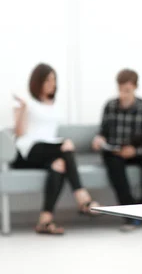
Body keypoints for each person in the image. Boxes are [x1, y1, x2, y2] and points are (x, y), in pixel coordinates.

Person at [12, 63, 100, 235]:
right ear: (38, 82)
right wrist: (22, 109)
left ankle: (45, 220)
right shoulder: (26, 102)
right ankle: (83, 198)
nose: (53, 83)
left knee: (58, 165)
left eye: (54, 79)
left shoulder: (55, 105)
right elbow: (19, 133)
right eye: (48, 80)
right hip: (26, 153)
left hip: (48, 153)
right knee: (65, 146)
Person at [91, 69, 142, 231]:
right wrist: (99, 138)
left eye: (127, 90)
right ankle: (129, 213)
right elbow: (103, 132)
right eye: (120, 90)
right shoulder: (110, 106)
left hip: (138, 152)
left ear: (135, 88)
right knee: (112, 163)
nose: (123, 94)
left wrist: (135, 151)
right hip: (116, 153)